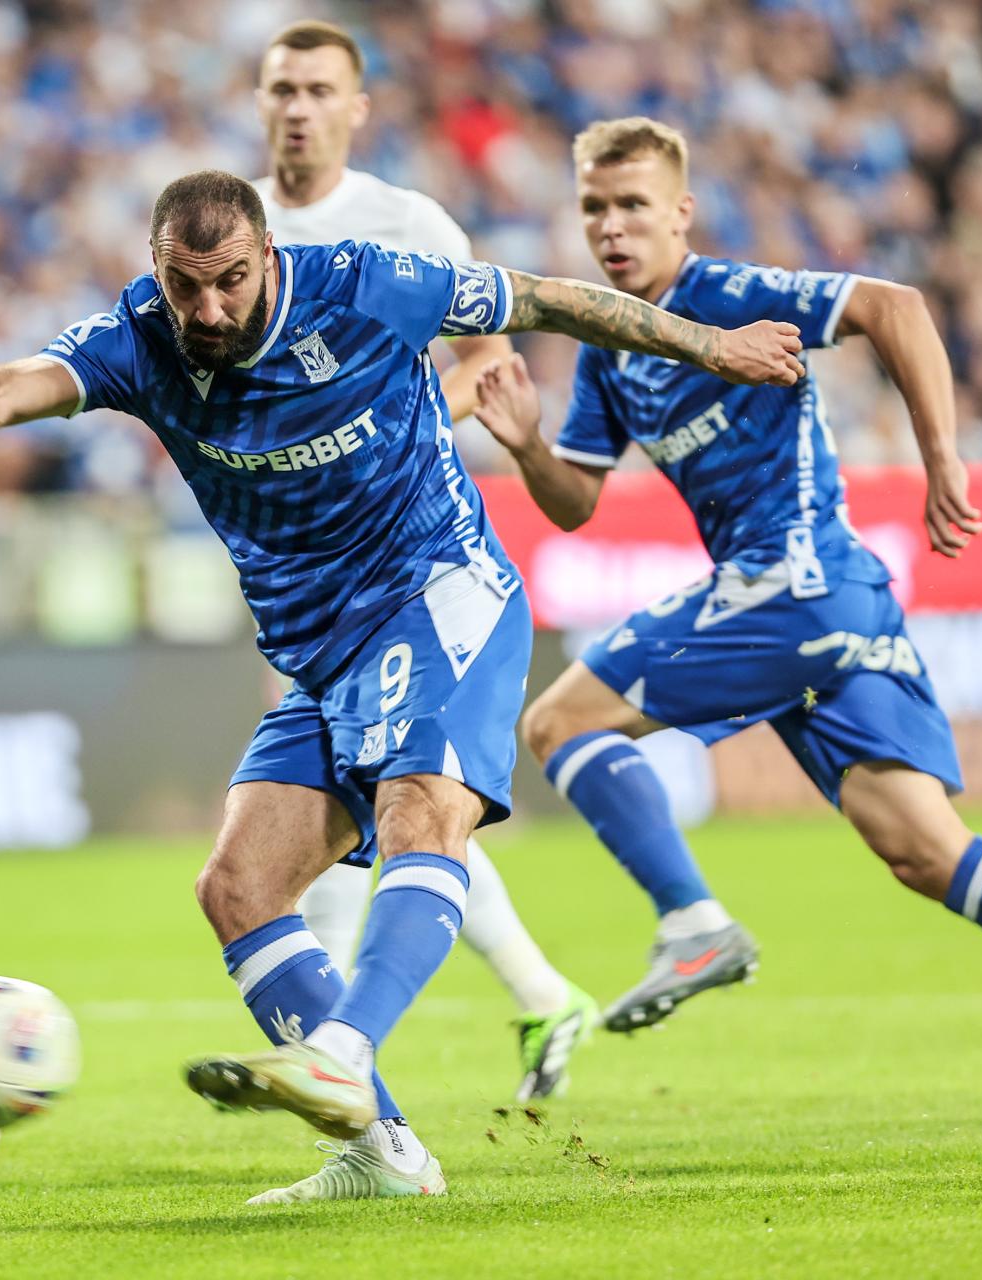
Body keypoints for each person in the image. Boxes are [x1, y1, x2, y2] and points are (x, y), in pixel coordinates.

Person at [0, 168, 805, 1202]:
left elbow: (552, 300)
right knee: (237, 889)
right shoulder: (140, 338)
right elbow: (14, 382)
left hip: (439, 589)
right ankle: (384, 1153)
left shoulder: (373, 284)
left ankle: (340, 1049)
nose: (206, 309)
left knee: (423, 807)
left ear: (268, 257)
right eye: (183, 285)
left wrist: (712, 345)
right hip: (323, 651)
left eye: (229, 282)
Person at [472, 117, 982, 1107]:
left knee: (558, 720)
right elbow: (579, 503)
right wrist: (525, 446)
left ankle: (692, 919)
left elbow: (894, 305)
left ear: (681, 213)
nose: (612, 226)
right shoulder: (610, 348)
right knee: (921, 846)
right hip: (821, 598)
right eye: (595, 206)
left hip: (798, 580)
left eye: (634, 204)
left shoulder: (731, 294)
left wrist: (942, 455)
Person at [250, 19, 600, 1105]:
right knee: (394, 800)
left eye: (318, 88)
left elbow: (489, 362)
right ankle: (541, 993)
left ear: (358, 107)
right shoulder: (230, 229)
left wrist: (374, 422)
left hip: (404, 561)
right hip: (294, 570)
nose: (297, 106)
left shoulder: (405, 222)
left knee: (374, 807)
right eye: (281, 88)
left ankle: (348, 1062)